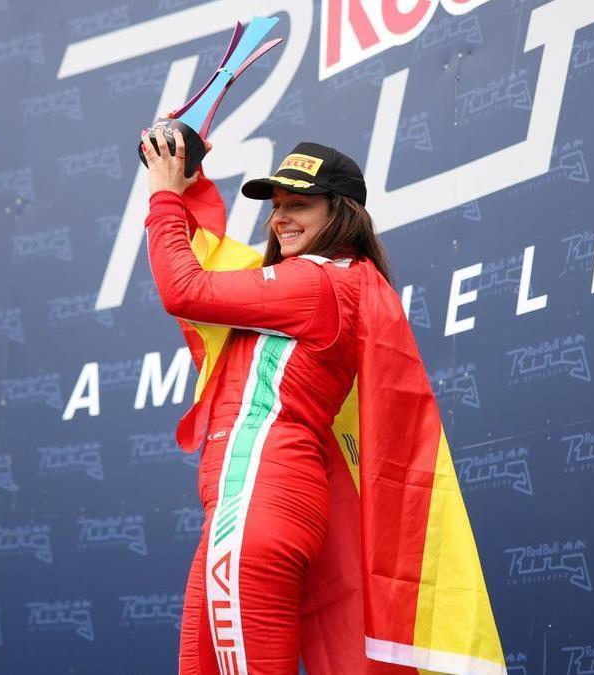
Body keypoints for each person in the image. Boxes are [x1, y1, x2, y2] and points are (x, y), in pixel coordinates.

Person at [141, 129, 504, 674]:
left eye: (299, 204)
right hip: (244, 510)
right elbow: (212, 270)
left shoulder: (319, 283)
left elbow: (184, 289)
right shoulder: (320, 283)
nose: (280, 218)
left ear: (341, 213)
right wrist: (187, 182)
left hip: (256, 505)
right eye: (277, 205)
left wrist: (164, 196)